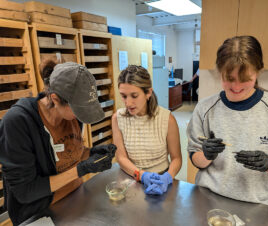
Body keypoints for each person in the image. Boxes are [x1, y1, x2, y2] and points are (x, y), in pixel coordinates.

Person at [187, 36, 268, 206]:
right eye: (229, 79)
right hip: (209, 199)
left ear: (259, 72)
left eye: (246, 79)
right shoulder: (205, 108)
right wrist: (206, 155)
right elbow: (196, 159)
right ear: (219, 71)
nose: (237, 87)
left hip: (259, 206)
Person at [0, 61, 116, 225]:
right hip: (42, 213)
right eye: (78, 110)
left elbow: (71, 152)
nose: (81, 116)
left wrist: (92, 153)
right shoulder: (17, 123)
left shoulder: (72, 117)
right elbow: (25, 192)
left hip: (75, 197)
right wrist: (82, 169)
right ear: (54, 98)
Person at [112, 65, 182, 195]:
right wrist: (142, 175)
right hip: (130, 178)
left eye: (134, 95)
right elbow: (121, 157)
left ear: (148, 93)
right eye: (124, 96)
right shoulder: (118, 118)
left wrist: (167, 177)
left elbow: (177, 158)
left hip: (161, 179)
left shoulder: (167, 119)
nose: (128, 103)